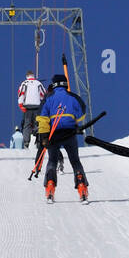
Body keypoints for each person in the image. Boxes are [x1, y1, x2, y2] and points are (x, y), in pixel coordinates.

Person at [37, 74, 89, 202]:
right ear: (66, 84)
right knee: (75, 161)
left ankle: (50, 187)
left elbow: (42, 119)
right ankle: (82, 187)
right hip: (70, 133)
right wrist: (73, 120)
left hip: (53, 134)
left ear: (54, 84)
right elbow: (81, 114)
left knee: (53, 160)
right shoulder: (73, 97)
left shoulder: (48, 98)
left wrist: (44, 137)